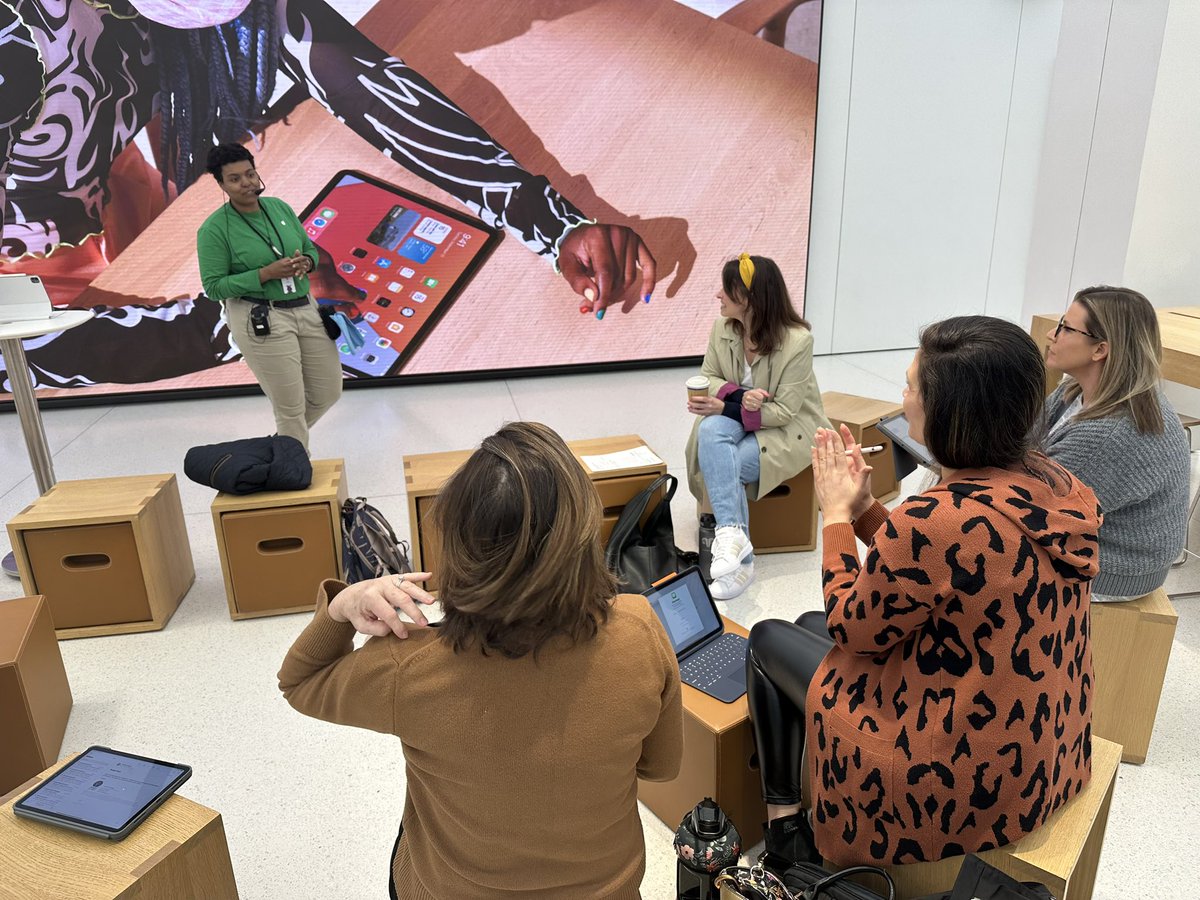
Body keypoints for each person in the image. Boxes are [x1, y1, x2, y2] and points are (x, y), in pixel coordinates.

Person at [0, 0, 656, 390]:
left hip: (114, 208)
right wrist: (229, 323)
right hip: (32, 295)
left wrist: (550, 221)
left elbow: (342, 67)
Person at [745, 316, 1100, 872]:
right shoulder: (1055, 484)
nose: (903, 399)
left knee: (768, 637)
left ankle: (785, 829)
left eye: (911, 388)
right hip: (1044, 747)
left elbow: (850, 626)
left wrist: (835, 515)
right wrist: (866, 510)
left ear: (948, 413)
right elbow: (945, 566)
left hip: (956, 778)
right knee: (807, 624)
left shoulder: (935, 519)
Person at [278, 422, 683, 898]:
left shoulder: (407, 666)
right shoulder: (638, 629)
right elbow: (660, 767)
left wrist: (345, 603)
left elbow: (298, 682)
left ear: (456, 549)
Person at [684, 253, 829, 600]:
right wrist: (737, 398)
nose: (718, 295)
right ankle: (735, 540)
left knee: (725, 461)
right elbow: (709, 376)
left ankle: (738, 555)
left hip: (786, 428)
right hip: (743, 416)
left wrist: (726, 406)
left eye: (726, 289)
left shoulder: (798, 341)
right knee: (709, 431)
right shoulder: (722, 328)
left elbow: (784, 412)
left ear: (748, 298)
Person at [1043, 286, 1190, 600]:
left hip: (1113, 569)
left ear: (1100, 350)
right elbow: (1024, 442)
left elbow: (1034, 506)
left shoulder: (1109, 434)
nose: (1051, 335)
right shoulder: (1078, 390)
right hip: (1090, 537)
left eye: (1065, 328)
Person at [197, 142, 340, 448]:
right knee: (290, 406)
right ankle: (295, 467)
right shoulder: (214, 229)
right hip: (260, 317)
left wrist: (308, 262)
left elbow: (310, 247)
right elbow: (214, 287)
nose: (246, 183)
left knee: (329, 391)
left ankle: (278, 448)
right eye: (235, 179)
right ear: (221, 185)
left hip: (305, 307)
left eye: (250, 173)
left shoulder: (279, 207)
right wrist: (264, 274)